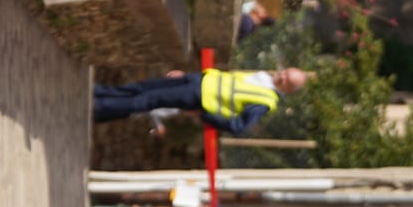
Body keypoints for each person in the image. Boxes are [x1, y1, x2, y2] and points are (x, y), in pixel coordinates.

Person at [92, 67, 310, 137]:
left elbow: (238, 127)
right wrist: (190, 75)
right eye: (284, 72)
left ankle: (101, 109)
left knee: (149, 100)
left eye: (286, 80)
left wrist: (204, 114)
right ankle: (101, 93)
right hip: (198, 80)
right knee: (145, 87)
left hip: (199, 97)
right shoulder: (262, 75)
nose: (281, 76)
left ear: (288, 89)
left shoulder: (267, 101)